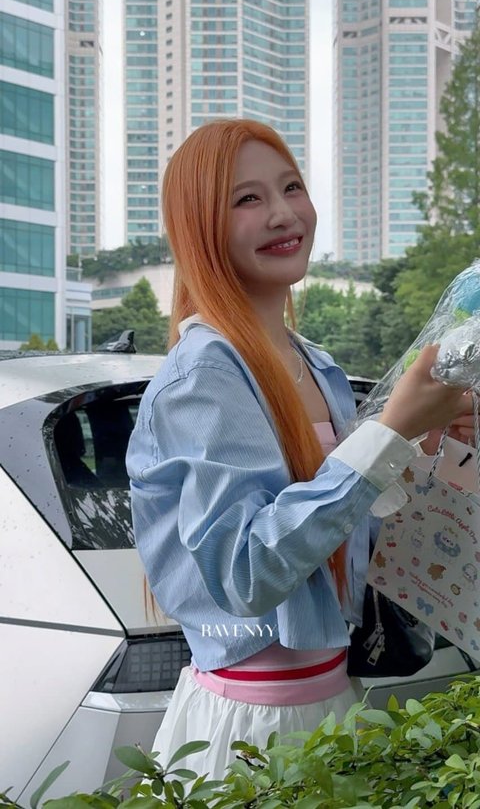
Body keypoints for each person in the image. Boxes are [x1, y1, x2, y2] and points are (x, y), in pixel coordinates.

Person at [126, 119, 474, 779]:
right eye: (247, 199)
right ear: (201, 227)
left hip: (332, 710)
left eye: (291, 187)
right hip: (247, 730)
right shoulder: (203, 376)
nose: (284, 214)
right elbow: (246, 574)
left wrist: (424, 441)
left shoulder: (317, 365)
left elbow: (344, 529)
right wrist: (385, 436)